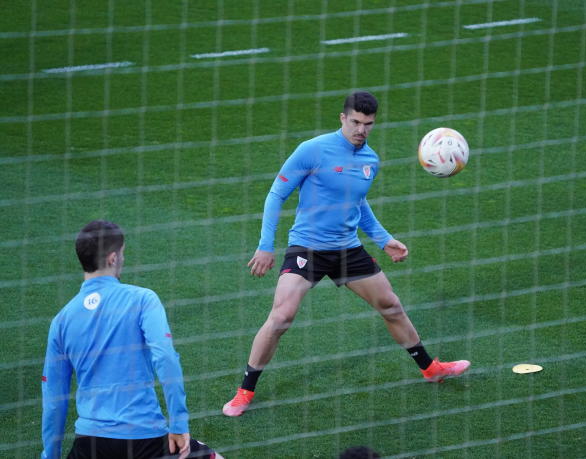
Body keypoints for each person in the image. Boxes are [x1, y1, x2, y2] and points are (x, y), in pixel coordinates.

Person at [222, 91, 470, 417]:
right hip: (306, 248)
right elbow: (275, 194)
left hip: (347, 249)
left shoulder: (371, 160)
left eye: (368, 124)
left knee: (391, 305)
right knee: (281, 317)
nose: (361, 130)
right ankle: (244, 391)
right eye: (355, 122)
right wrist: (265, 245)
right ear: (342, 118)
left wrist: (384, 239)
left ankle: (430, 369)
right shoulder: (312, 150)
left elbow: (358, 203)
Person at [41, 220, 222, 459]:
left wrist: (50, 455)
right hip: (144, 440)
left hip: (89, 445)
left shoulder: (61, 321)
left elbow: (54, 399)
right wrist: (178, 425)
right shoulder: (142, 299)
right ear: (113, 258)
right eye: (123, 254)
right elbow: (165, 357)